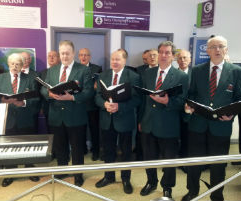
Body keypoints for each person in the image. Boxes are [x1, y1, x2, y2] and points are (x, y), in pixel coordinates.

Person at [182, 35, 241, 201]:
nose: (217, 50)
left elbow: (240, 98)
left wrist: (232, 113)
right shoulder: (196, 70)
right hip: (198, 124)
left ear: (226, 49)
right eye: (213, 47)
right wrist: (189, 105)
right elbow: (191, 93)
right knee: (194, 162)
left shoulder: (237, 71)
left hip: (221, 126)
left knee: (219, 163)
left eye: (221, 46)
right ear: (207, 50)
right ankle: (192, 191)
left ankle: (217, 194)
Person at [138, 41, 188, 199]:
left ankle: (167, 187)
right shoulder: (148, 73)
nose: (164, 55)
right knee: (149, 157)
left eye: (167, 53)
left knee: (169, 161)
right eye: (161, 52)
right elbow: (142, 100)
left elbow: (183, 101)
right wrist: (140, 120)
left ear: (173, 56)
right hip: (148, 123)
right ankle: (151, 182)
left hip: (169, 125)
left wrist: (167, 102)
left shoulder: (181, 76)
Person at [41, 40, 94, 187]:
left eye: (67, 53)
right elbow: (43, 89)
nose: (64, 56)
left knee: (77, 147)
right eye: (62, 53)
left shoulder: (83, 70)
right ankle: (63, 169)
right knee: (60, 146)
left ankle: (78, 174)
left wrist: (72, 97)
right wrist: (49, 94)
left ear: (73, 53)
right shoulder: (52, 70)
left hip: (75, 116)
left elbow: (89, 92)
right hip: (56, 116)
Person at [95, 49, 141, 194]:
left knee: (126, 152)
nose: (114, 62)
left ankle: (125, 179)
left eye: (118, 59)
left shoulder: (133, 77)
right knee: (108, 150)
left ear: (124, 61)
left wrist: (119, 106)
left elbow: (137, 99)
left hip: (125, 120)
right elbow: (96, 96)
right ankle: (108, 176)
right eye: (112, 59)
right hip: (106, 119)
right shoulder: (103, 75)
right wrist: (104, 104)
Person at [0, 53, 40, 187]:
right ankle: (10, 174)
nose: (15, 66)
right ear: (8, 64)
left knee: (29, 146)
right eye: (12, 63)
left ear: (22, 66)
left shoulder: (30, 79)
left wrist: (24, 102)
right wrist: (1, 100)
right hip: (7, 119)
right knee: (9, 148)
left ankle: (30, 170)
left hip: (25, 118)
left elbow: (36, 99)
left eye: (18, 64)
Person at [78, 48, 102, 161]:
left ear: (90, 57)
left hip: (92, 104)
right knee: (80, 129)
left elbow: (100, 85)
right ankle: (82, 149)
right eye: (81, 55)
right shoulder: (75, 69)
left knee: (94, 130)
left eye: (86, 55)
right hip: (79, 104)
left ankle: (96, 151)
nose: (83, 57)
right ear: (78, 56)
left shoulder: (97, 68)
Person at [177, 50, 192, 162]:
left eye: (185, 58)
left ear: (190, 59)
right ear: (177, 60)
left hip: (190, 112)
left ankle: (184, 161)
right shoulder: (172, 74)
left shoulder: (196, 74)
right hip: (174, 111)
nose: (182, 60)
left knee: (187, 138)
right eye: (180, 58)